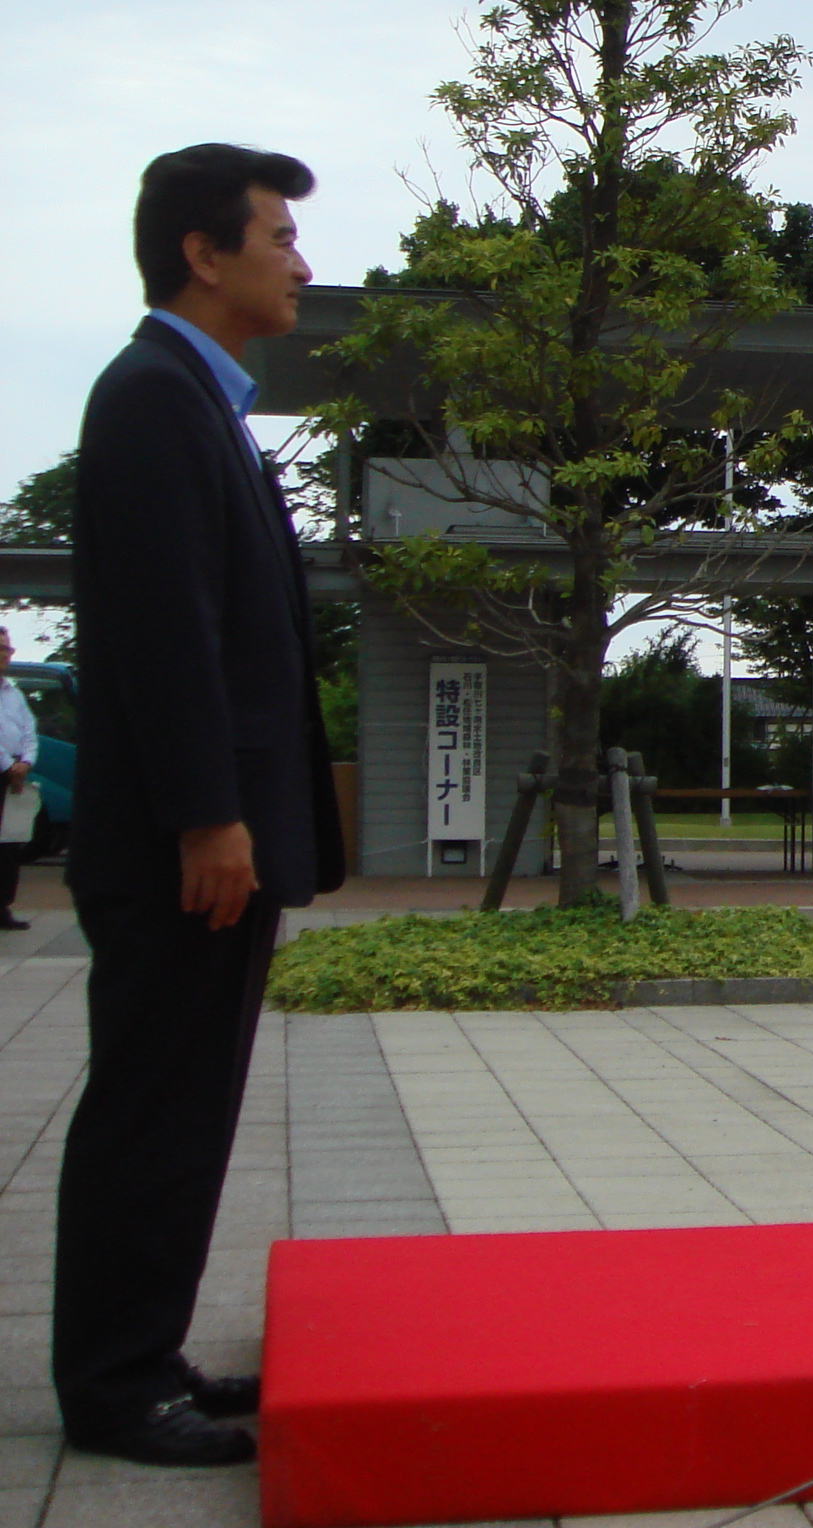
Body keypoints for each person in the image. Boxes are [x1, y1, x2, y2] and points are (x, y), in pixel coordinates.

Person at [55, 144, 344, 1467]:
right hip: (186, 846)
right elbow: (167, 636)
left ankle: (147, 1353)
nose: (299, 259)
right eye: (277, 235)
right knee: (153, 1106)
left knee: (185, 1103)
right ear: (202, 253)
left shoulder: (194, 400)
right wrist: (206, 816)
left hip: (207, 834)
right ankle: (115, 1389)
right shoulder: (152, 398)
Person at [0, 627, 36, 932]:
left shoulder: (14, 693)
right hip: (4, 768)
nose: (5, 655)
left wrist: (26, 761)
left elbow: (29, 730)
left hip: (13, 774)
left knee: (10, 844)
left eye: (7, 649)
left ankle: (3, 907)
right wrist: (7, 765)